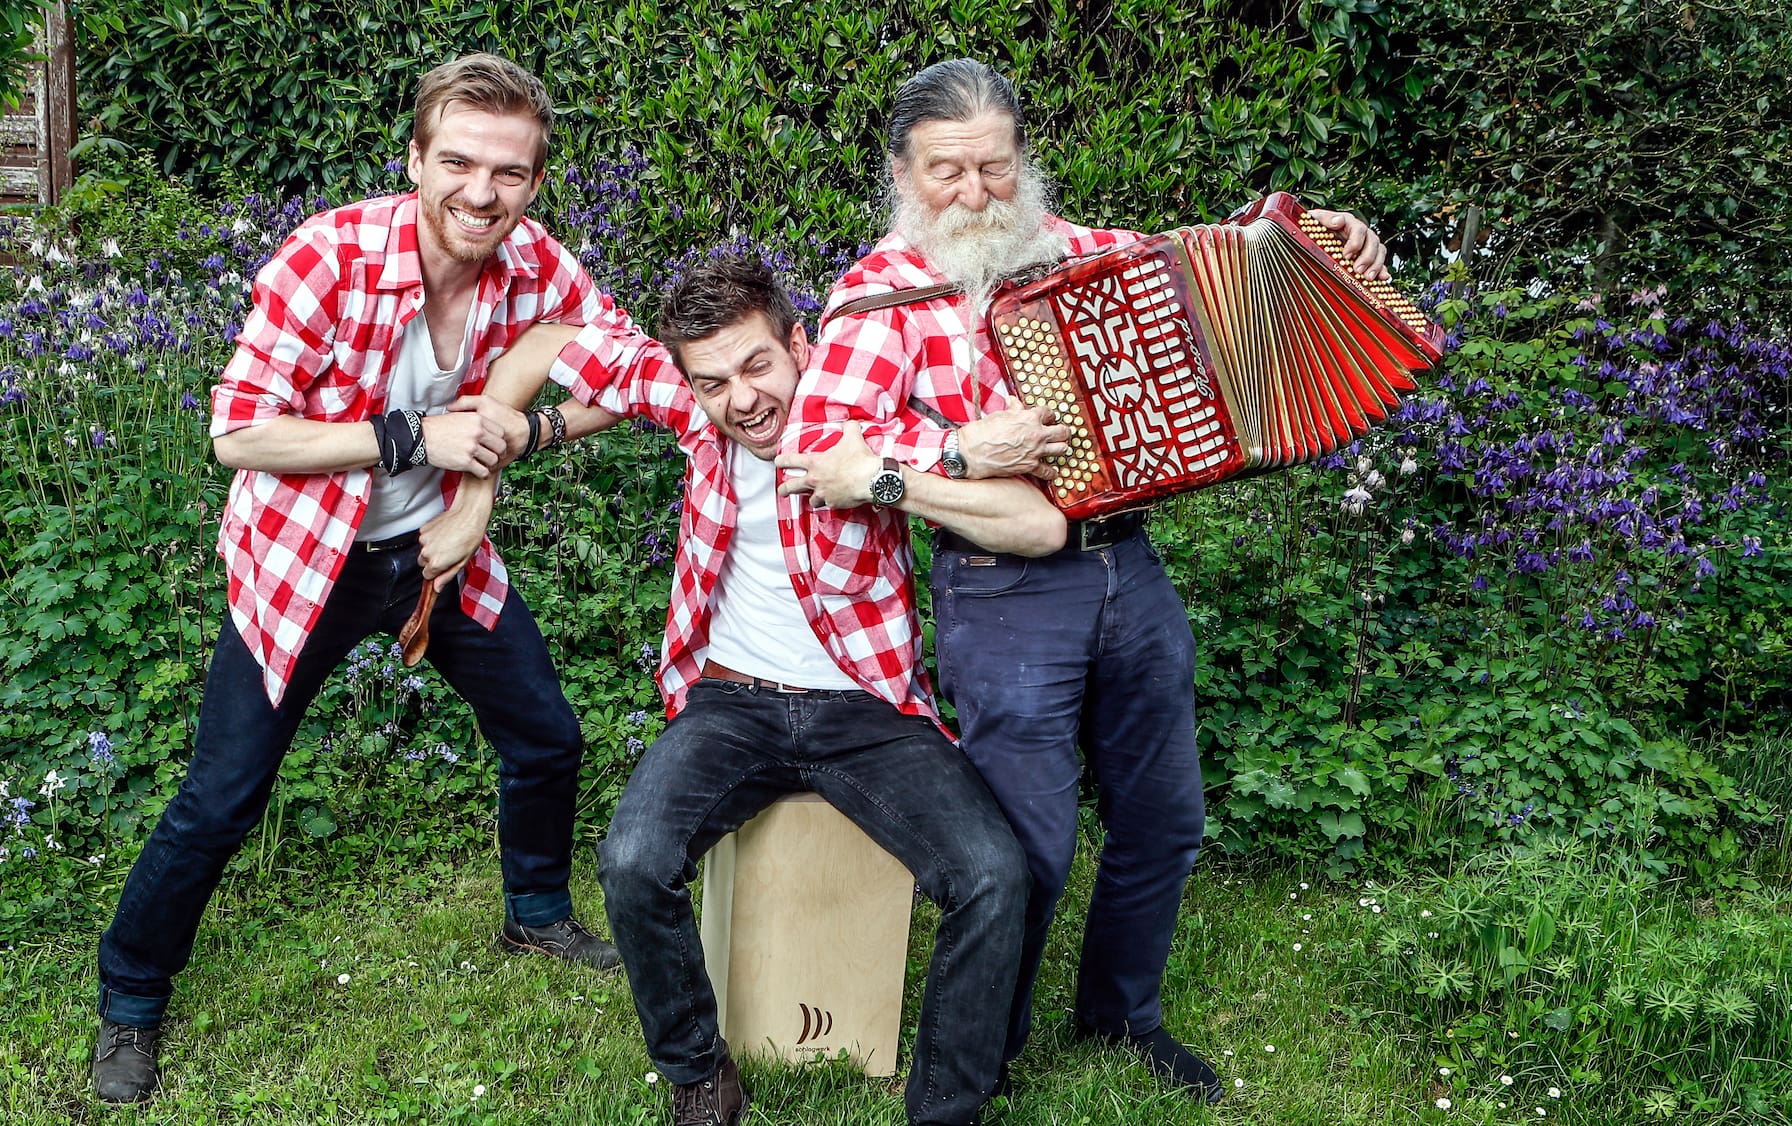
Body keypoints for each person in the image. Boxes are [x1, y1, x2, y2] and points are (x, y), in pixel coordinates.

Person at [789, 58, 1391, 1105]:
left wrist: (1316, 237)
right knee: (1028, 848)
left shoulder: (1073, 253)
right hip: (1001, 591)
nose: (974, 193)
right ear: (900, 172)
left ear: (1023, 159)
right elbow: (817, 449)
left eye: (993, 166)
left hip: (1128, 567)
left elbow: (1214, 266)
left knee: (1163, 818)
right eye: (946, 172)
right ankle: (986, 1051)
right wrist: (961, 449)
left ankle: (1121, 1013)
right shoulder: (879, 297)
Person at [91, 54, 650, 1105]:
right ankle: (130, 996)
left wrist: (511, 445)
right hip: (307, 560)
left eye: (510, 172)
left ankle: (534, 912)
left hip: (435, 553)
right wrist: (412, 436)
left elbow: (628, 375)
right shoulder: (328, 256)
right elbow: (238, 432)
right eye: (459, 163)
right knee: (223, 797)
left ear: (536, 180)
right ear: (415, 160)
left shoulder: (538, 264)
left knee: (547, 735)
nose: (482, 192)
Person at [495, 255, 1062, 1125]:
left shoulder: (866, 424)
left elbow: (1039, 523)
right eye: (714, 381)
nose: (743, 398)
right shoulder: (693, 407)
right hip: (733, 705)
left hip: (868, 710)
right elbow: (554, 341)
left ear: (801, 345)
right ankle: (699, 1072)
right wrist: (492, 458)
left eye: (758, 364)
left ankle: (947, 1106)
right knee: (633, 860)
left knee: (991, 874)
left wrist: (903, 470)